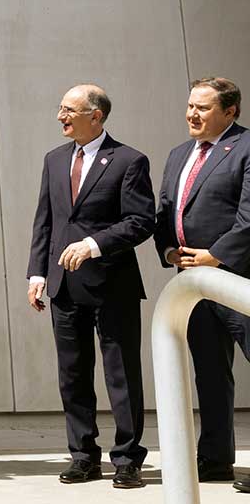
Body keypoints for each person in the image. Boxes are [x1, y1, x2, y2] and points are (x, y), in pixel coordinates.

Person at [26, 84, 154, 489]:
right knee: (73, 376)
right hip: (63, 286)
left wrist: (94, 244)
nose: (60, 116)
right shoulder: (54, 159)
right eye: (60, 108)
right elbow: (45, 221)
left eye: (68, 110)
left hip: (111, 285)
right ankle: (82, 456)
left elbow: (141, 221)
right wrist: (37, 274)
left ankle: (128, 459)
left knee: (121, 375)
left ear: (95, 116)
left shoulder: (129, 160)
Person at [152, 77, 249, 490]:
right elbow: (167, 211)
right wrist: (169, 250)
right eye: (191, 105)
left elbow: (249, 217)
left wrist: (217, 254)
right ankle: (214, 460)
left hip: (237, 278)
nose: (192, 114)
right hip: (191, 282)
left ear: (230, 112)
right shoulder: (178, 154)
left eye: (203, 108)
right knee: (209, 373)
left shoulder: (245, 148)